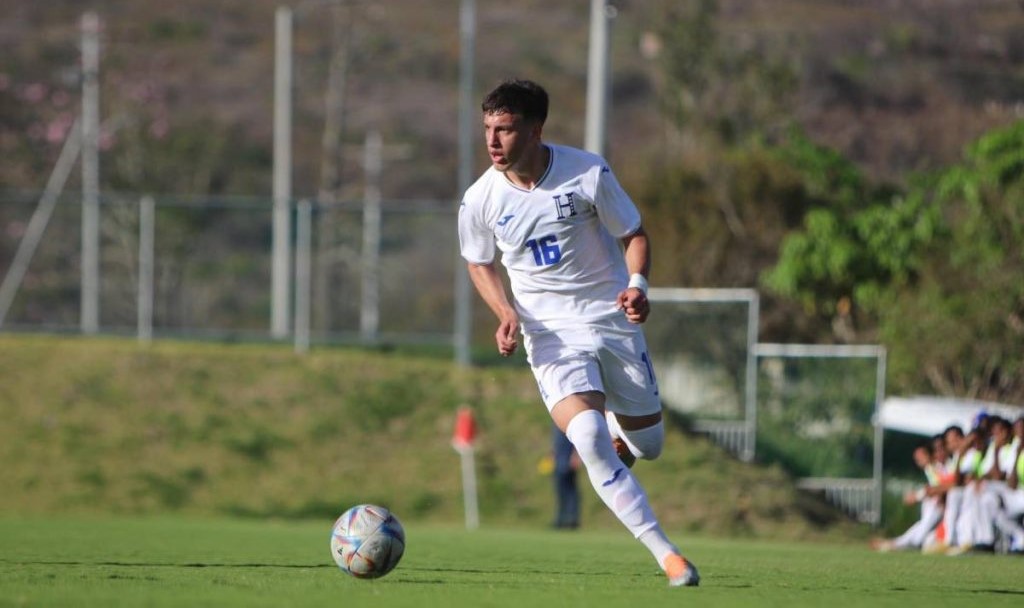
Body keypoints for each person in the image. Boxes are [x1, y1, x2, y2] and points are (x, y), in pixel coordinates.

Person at [458, 79, 699, 587]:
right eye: (488, 129)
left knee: (649, 445)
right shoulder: (480, 198)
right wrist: (505, 311)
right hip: (550, 334)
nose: (493, 141)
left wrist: (637, 285)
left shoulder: (587, 171)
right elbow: (478, 262)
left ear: (535, 129)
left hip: (610, 319)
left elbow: (633, 233)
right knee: (586, 437)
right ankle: (668, 556)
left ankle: (622, 431)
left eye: (505, 129)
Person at [551, 424, 581, 529]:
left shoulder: (569, 420)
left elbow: (577, 439)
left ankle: (572, 519)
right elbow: (556, 442)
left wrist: (576, 455)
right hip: (559, 461)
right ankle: (561, 518)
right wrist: (553, 455)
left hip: (568, 461)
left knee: (570, 490)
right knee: (560, 491)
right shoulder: (556, 420)